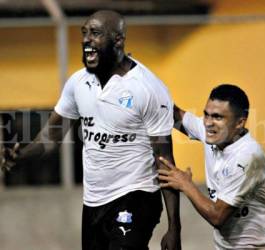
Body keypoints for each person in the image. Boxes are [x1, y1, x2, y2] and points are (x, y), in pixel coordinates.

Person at [0, 10, 181, 250]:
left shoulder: (147, 88)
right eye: (84, 33)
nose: (86, 39)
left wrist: (174, 227)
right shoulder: (77, 83)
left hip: (136, 195)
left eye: (95, 33)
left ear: (118, 40)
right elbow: (51, 136)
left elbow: (165, 160)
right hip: (94, 202)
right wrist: (20, 154)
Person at [158, 84, 265, 249]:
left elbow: (217, 216)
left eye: (217, 117)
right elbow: (174, 114)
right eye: (206, 115)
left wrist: (186, 184)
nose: (208, 123)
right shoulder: (216, 134)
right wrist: (145, 85)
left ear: (240, 122)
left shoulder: (247, 157)